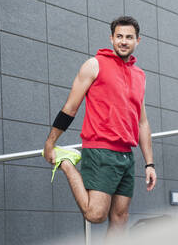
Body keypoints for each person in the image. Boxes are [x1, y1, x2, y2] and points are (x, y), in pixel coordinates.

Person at [42, 16, 156, 239]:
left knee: (121, 218)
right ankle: (65, 162)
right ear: (111, 38)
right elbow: (70, 107)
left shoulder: (139, 76)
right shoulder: (94, 64)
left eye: (129, 37)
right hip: (100, 149)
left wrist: (149, 163)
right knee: (95, 214)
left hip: (126, 155)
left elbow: (142, 122)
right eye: (119, 36)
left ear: (138, 41)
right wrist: (50, 142)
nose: (124, 41)